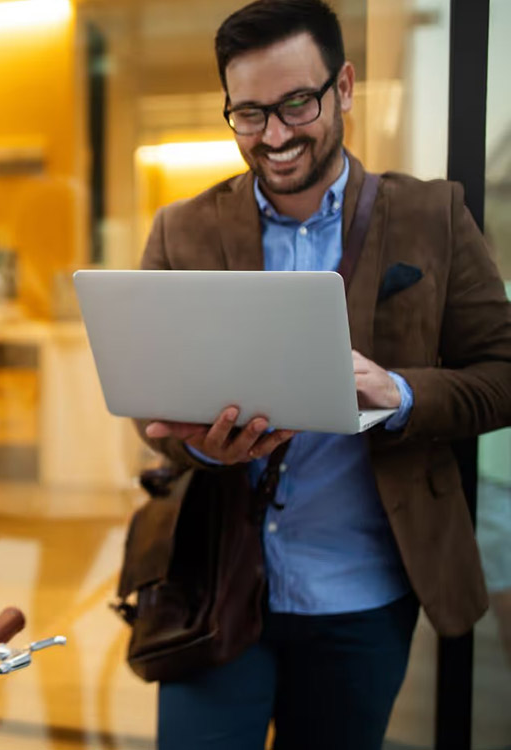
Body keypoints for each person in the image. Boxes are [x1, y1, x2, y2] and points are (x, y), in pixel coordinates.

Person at [134, 2, 511, 749]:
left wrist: (398, 393)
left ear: (343, 87)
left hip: (363, 594)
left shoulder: (433, 217)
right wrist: (205, 446)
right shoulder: (182, 230)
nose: (273, 136)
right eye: (248, 114)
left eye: (295, 104)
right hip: (219, 578)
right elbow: (151, 408)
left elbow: (503, 372)